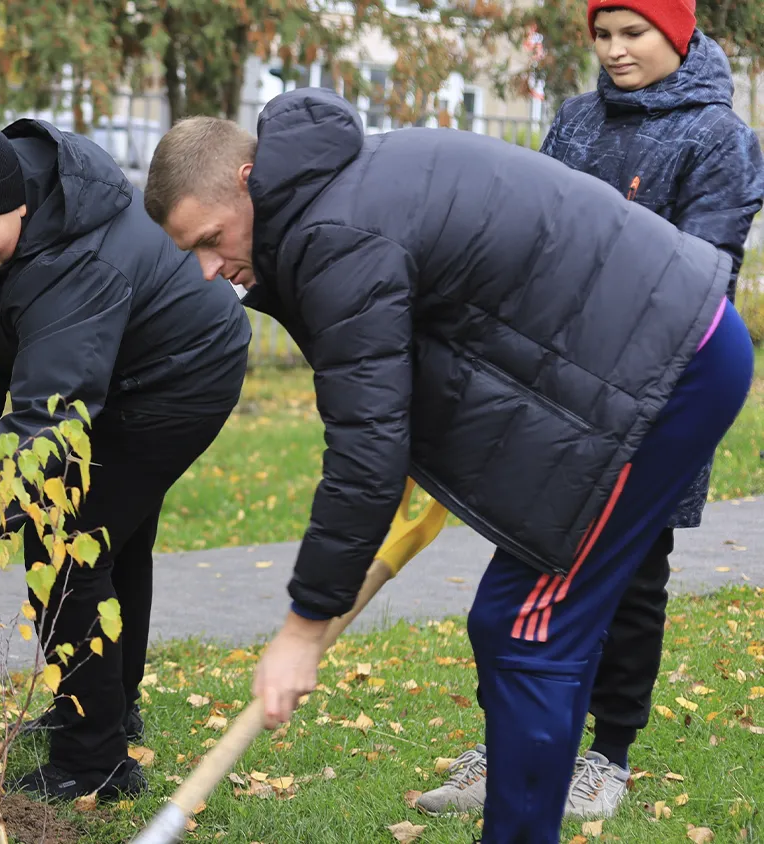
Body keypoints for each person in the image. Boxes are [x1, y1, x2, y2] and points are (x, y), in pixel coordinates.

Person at [141, 88, 753, 843]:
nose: (207, 270)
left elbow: (363, 445)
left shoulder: (332, 234)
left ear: (244, 178)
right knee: (520, 622)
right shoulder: (340, 195)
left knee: (529, 628)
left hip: (666, 371)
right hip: (653, 358)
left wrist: (303, 629)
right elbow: (411, 379)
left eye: (209, 239)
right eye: (188, 254)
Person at [413, 0, 764, 820]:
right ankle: (509, 746)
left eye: (633, 33)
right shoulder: (574, 121)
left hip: (659, 388)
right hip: (551, 388)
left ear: (676, 35)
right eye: (602, 35)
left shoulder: (719, 137)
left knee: (635, 573)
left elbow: (702, 273)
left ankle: (606, 756)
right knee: (526, 554)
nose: (614, 50)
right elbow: (528, 233)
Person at [0, 120, 253, 801]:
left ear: (21, 205)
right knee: (105, 539)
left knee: (66, 540)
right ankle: (108, 708)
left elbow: (45, 418)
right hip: (106, 366)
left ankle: (94, 763)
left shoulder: (76, 260)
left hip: (179, 375)